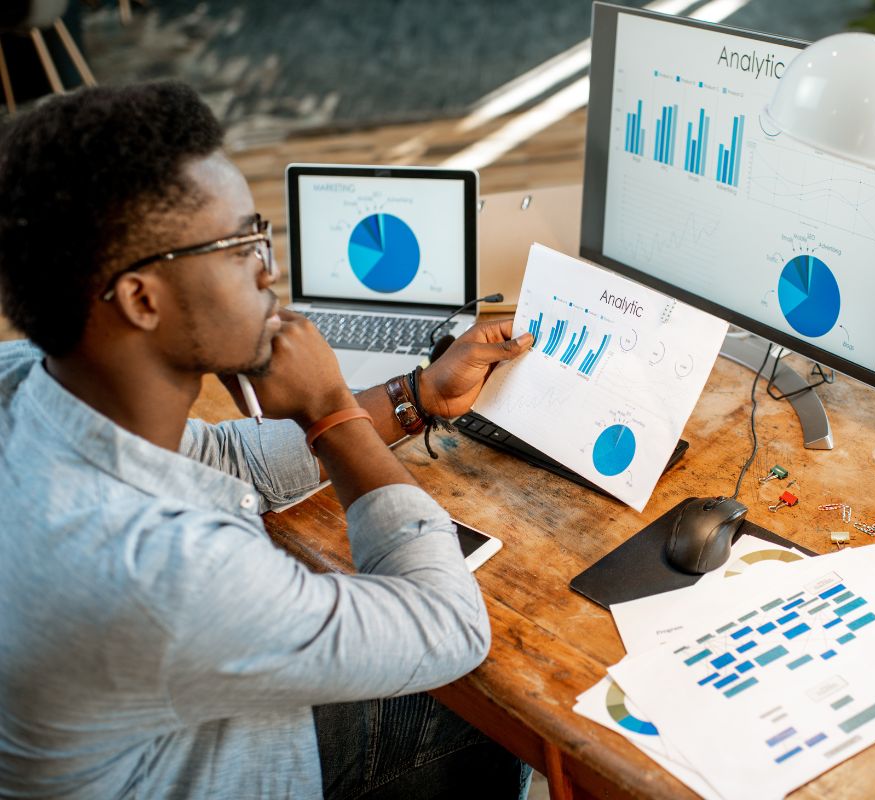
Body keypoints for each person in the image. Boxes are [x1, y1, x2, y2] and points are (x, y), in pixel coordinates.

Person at [0, 81, 535, 798]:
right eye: (239, 245)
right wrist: (329, 410)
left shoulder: (26, 383)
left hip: (155, 726)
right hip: (230, 767)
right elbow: (447, 628)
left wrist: (416, 397)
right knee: (502, 706)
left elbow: (223, 460)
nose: (267, 270)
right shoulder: (159, 568)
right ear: (140, 299)